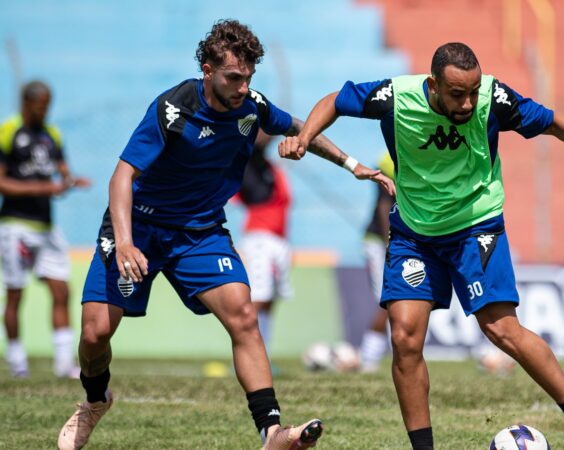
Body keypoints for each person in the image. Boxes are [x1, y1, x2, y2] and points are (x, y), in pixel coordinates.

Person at [57, 20, 393, 450]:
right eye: (233, 77)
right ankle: (94, 400)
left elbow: (297, 127)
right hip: (138, 225)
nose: (242, 87)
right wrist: (124, 241)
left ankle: (272, 431)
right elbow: (122, 176)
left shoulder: (250, 106)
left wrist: (352, 164)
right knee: (95, 334)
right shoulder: (173, 109)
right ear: (207, 70)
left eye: (248, 78)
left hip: (199, 230)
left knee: (243, 314)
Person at [279, 42, 564, 450]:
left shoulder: (494, 98)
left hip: (476, 227)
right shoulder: (396, 97)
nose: (469, 102)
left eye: (473, 91)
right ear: (433, 85)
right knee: (403, 339)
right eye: (458, 94)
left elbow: (552, 124)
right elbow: (336, 100)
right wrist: (305, 138)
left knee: (501, 330)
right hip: (414, 233)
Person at [0, 80, 90, 379]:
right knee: (15, 294)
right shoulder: (9, 132)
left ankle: (64, 364)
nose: (45, 110)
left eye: (48, 105)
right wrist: (45, 186)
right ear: (27, 103)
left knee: (61, 290)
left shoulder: (51, 135)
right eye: (41, 105)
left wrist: (70, 181)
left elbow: (62, 171)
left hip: (46, 227)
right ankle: (17, 362)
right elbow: (3, 183)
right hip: (15, 225)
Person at [237, 130, 293, 353]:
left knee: (270, 301)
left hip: (278, 239)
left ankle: (262, 355)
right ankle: (245, 353)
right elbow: (254, 143)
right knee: (259, 297)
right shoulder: (248, 160)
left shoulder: (268, 167)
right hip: (260, 238)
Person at [357, 152, 394, 373]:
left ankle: (372, 356)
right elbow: (384, 205)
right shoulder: (388, 159)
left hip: (400, 240)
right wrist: (390, 244)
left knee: (396, 300)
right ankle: (368, 357)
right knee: (389, 299)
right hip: (381, 241)